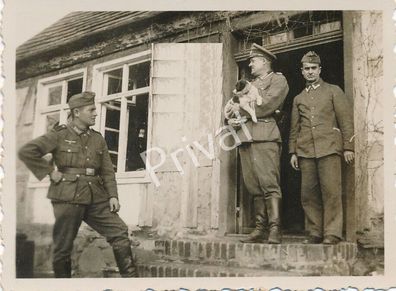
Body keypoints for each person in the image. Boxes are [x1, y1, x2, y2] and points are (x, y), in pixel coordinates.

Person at [18, 91, 139, 277]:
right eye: (91, 110)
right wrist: (50, 171)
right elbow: (27, 151)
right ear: (76, 112)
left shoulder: (98, 138)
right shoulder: (58, 135)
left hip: (96, 196)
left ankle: (132, 284)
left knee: (119, 231)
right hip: (67, 195)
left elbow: (107, 170)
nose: (95, 113)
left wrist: (113, 195)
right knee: (63, 247)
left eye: (95, 109)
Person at [224, 43, 289, 244]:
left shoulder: (278, 80)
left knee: (269, 183)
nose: (250, 64)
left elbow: (268, 104)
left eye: (253, 60)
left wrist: (240, 111)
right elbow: (231, 107)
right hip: (245, 137)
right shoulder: (247, 85)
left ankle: (275, 229)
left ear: (264, 62)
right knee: (252, 185)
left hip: (265, 135)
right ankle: (260, 228)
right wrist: (231, 118)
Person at [288, 51, 354, 245]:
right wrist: (293, 152)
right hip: (306, 150)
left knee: (331, 191)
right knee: (308, 193)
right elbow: (294, 128)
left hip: (330, 148)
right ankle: (315, 232)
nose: (310, 72)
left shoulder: (334, 91)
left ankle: (332, 233)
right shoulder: (298, 98)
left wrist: (349, 147)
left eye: (313, 68)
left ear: (320, 70)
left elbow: (346, 121)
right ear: (302, 71)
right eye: (306, 69)